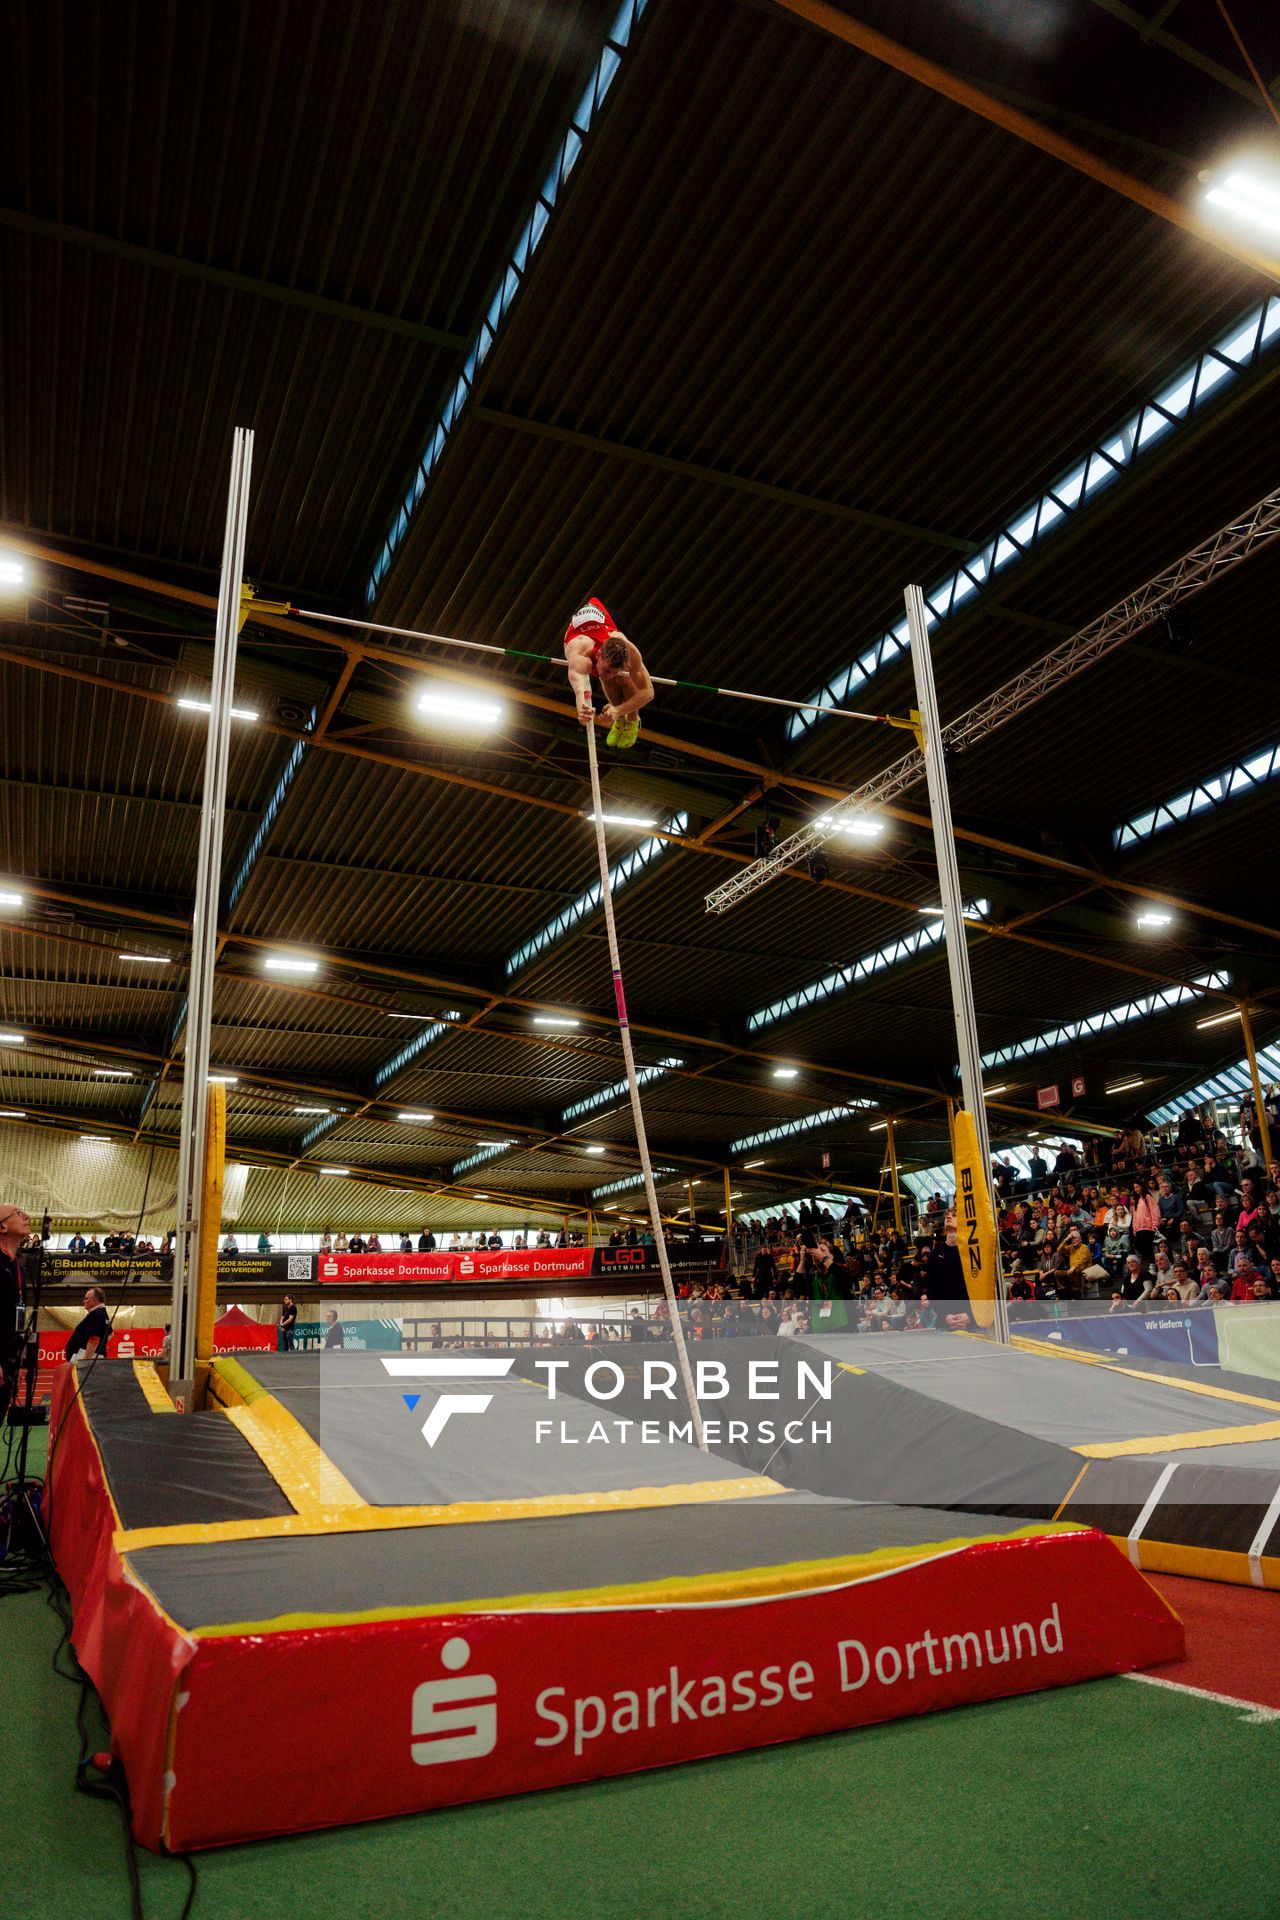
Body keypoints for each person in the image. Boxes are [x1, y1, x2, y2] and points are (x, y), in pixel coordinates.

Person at [563, 597, 653, 750]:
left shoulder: (629, 650)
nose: (609, 675)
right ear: (598, 656)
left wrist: (618, 710)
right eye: (606, 670)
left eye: (613, 671)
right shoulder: (580, 653)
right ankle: (619, 719)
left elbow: (648, 692)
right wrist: (582, 709)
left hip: (610, 622)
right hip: (587, 629)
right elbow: (580, 689)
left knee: (623, 680)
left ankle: (632, 720)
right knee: (606, 680)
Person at [66, 1286, 112, 1362]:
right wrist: (101, 1346)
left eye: (86, 1298)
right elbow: (110, 1333)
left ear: (95, 1300)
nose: (84, 1301)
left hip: (85, 1357)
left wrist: (85, 1360)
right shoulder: (102, 1313)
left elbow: (94, 1339)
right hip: (92, 1355)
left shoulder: (96, 1314)